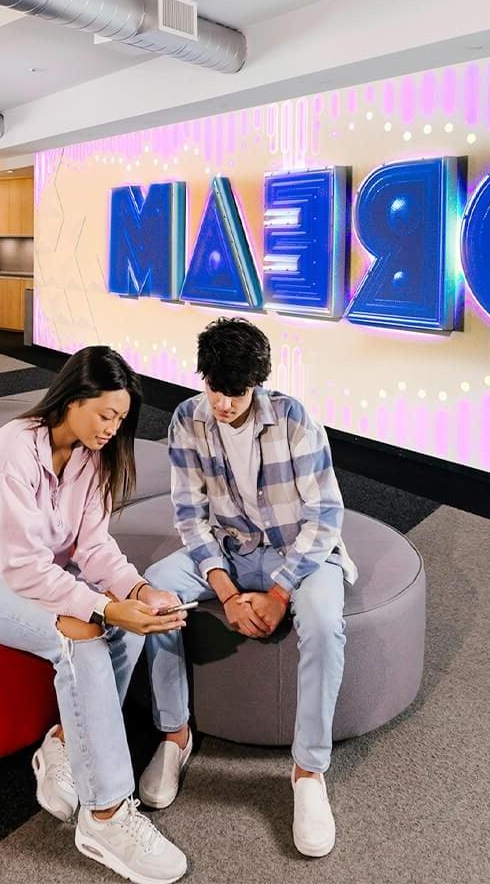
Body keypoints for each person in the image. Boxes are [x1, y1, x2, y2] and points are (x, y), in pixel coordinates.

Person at [0, 346, 189, 884]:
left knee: (131, 634)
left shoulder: (91, 456)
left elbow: (93, 547)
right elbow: (22, 567)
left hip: (36, 574)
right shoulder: (14, 451)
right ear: (73, 399)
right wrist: (99, 606)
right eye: (105, 414)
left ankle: (63, 743)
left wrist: (138, 589)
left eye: (121, 419)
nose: (112, 428)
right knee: (82, 639)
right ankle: (105, 814)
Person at [141, 317, 358, 858]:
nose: (222, 402)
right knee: (152, 593)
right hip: (228, 553)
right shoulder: (187, 420)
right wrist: (227, 589)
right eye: (213, 387)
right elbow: (189, 516)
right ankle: (174, 735)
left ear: (256, 383)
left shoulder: (293, 419)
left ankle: (308, 772)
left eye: (235, 392)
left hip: (299, 554)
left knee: (327, 627)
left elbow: (326, 514)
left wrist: (281, 592)